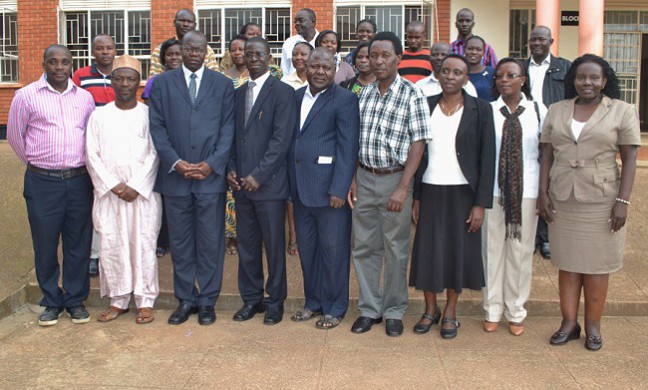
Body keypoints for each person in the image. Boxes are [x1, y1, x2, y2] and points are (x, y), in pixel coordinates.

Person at [538, 54, 640, 351]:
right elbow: (546, 154)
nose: (587, 82)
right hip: (563, 199)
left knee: (596, 267)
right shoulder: (557, 110)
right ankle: (569, 323)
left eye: (594, 77)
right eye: (581, 77)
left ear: (604, 80)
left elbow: (630, 157)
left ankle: (593, 326)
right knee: (567, 266)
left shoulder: (622, 110)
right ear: (573, 80)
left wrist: (623, 200)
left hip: (601, 201)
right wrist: (543, 194)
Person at [348, 32, 432, 337]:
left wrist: (403, 187)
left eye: (385, 55)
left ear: (398, 58)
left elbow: (419, 143)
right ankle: (370, 308)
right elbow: (353, 142)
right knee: (364, 247)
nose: (379, 61)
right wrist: (355, 179)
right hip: (365, 178)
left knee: (396, 249)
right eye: (374, 55)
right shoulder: (363, 94)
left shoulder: (412, 94)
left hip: (396, 179)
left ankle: (395, 310)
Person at [149, 31, 235, 326]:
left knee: (211, 241)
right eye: (189, 48)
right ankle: (186, 299)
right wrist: (176, 162)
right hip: (176, 178)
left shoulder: (223, 85)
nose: (194, 53)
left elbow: (228, 129)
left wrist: (212, 164)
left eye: (200, 49)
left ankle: (208, 300)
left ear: (206, 52)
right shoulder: (161, 84)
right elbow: (157, 128)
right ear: (180, 50)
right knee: (182, 243)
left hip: (210, 179)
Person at [7, 45, 96, 326]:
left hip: (79, 180)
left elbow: (90, 137)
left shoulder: (84, 98)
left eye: (65, 62)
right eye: (53, 62)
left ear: (72, 65)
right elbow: (15, 138)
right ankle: (51, 300)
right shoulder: (26, 96)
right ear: (44, 63)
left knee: (78, 243)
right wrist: (41, 166)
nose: (60, 67)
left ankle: (74, 299)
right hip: (42, 182)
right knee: (45, 244)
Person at [409, 54, 495, 339]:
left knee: (457, 254)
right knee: (428, 253)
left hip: (463, 193)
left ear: (466, 78)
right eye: (445, 71)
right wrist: (417, 197)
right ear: (438, 73)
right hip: (431, 189)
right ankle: (430, 309)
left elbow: (487, 159)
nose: (449, 76)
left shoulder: (480, 110)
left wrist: (481, 203)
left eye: (457, 72)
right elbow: (418, 154)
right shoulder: (426, 105)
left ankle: (450, 312)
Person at [86, 55, 162, 324]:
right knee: (113, 245)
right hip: (110, 195)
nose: (125, 84)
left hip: (142, 196)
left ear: (138, 83)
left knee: (142, 245)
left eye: (130, 78)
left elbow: (156, 153)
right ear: (112, 81)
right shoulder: (99, 116)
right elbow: (91, 155)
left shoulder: (150, 115)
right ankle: (118, 300)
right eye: (120, 78)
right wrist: (115, 185)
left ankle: (145, 300)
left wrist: (136, 186)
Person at [227, 37, 296, 326]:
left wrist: (259, 175)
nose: (253, 58)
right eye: (248, 53)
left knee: (273, 246)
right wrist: (231, 168)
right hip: (241, 185)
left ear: (269, 57)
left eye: (259, 54)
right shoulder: (238, 93)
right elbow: (231, 135)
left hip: (269, 186)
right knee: (247, 246)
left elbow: (281, 141)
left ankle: (275, 301)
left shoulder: (283, 92)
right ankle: (251, 299)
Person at [289, 48, 360, 329]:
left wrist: (339, 189)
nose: (320, 72)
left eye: (326, 68)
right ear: (305, 67)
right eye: (315, 66)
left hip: (330, 192)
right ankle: (313, 302)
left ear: (335, 70)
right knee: (308, 251)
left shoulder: (345, 99)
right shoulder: (295, 97)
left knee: (334, 252)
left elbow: (347, 147)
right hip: (300, 189)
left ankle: (335, 307)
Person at [482, 58, 546, 336]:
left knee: (520, 253)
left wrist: (545, 193)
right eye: (499, 75)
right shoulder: (487, 111)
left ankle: (516, 310)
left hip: (527, 192)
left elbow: (547, 154)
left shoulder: (538, 111)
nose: (504, 80)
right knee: (492, 251)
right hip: (494, 192)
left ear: (523, 79)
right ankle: (492, 308)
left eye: (511, 75)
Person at [524, 25, 572, 260]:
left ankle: (546, 237)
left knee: (549, 184)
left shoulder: (564, 67)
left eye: (542, 39)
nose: (537, 43)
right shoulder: (521, 67)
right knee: (530, 182)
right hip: (526, 132)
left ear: (551, 41)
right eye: (533, 39)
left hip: (553, 133)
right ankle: (531, 235)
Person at [72, 34, 117, 277]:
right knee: (95, 201)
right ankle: (94, 255)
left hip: (119, 146)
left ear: (115, 50)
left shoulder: (122, 73)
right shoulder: (81, 76)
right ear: (92, 51)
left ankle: (113, 253)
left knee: (115, 201)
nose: (104, 52)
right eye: (99, 48)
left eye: (109, 48)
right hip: (92, 145)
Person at [141, 38, 181, 259]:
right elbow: (151, 114)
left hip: (182, 146)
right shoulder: (154, 82)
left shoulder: (187, 81)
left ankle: (177, 241)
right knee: (161, 197)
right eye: (170, 54)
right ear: (163, 58)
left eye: (178, 53)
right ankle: (161, 240)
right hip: (159, 144)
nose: (174, 57)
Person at [149, 9, 218, 76]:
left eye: (189, 21)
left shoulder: (206, 50)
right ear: (174, 23)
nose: (185, 24)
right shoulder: (160, 49)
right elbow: (154, 80)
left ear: (195, 25)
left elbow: (214, 77)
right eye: (182, 21)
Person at [281, 8, 319, 76]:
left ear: (313, 22)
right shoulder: (289, 43)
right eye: (295, 21)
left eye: (301, 20)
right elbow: (285, 72)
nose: (297, 24)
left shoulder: (324, 42)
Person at [465, 36, 495, 102]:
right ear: (465, 50)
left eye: (478, 49)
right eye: (470, 48)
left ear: (484, 53)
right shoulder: (459, 73)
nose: (474, 52)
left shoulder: (492, 73)